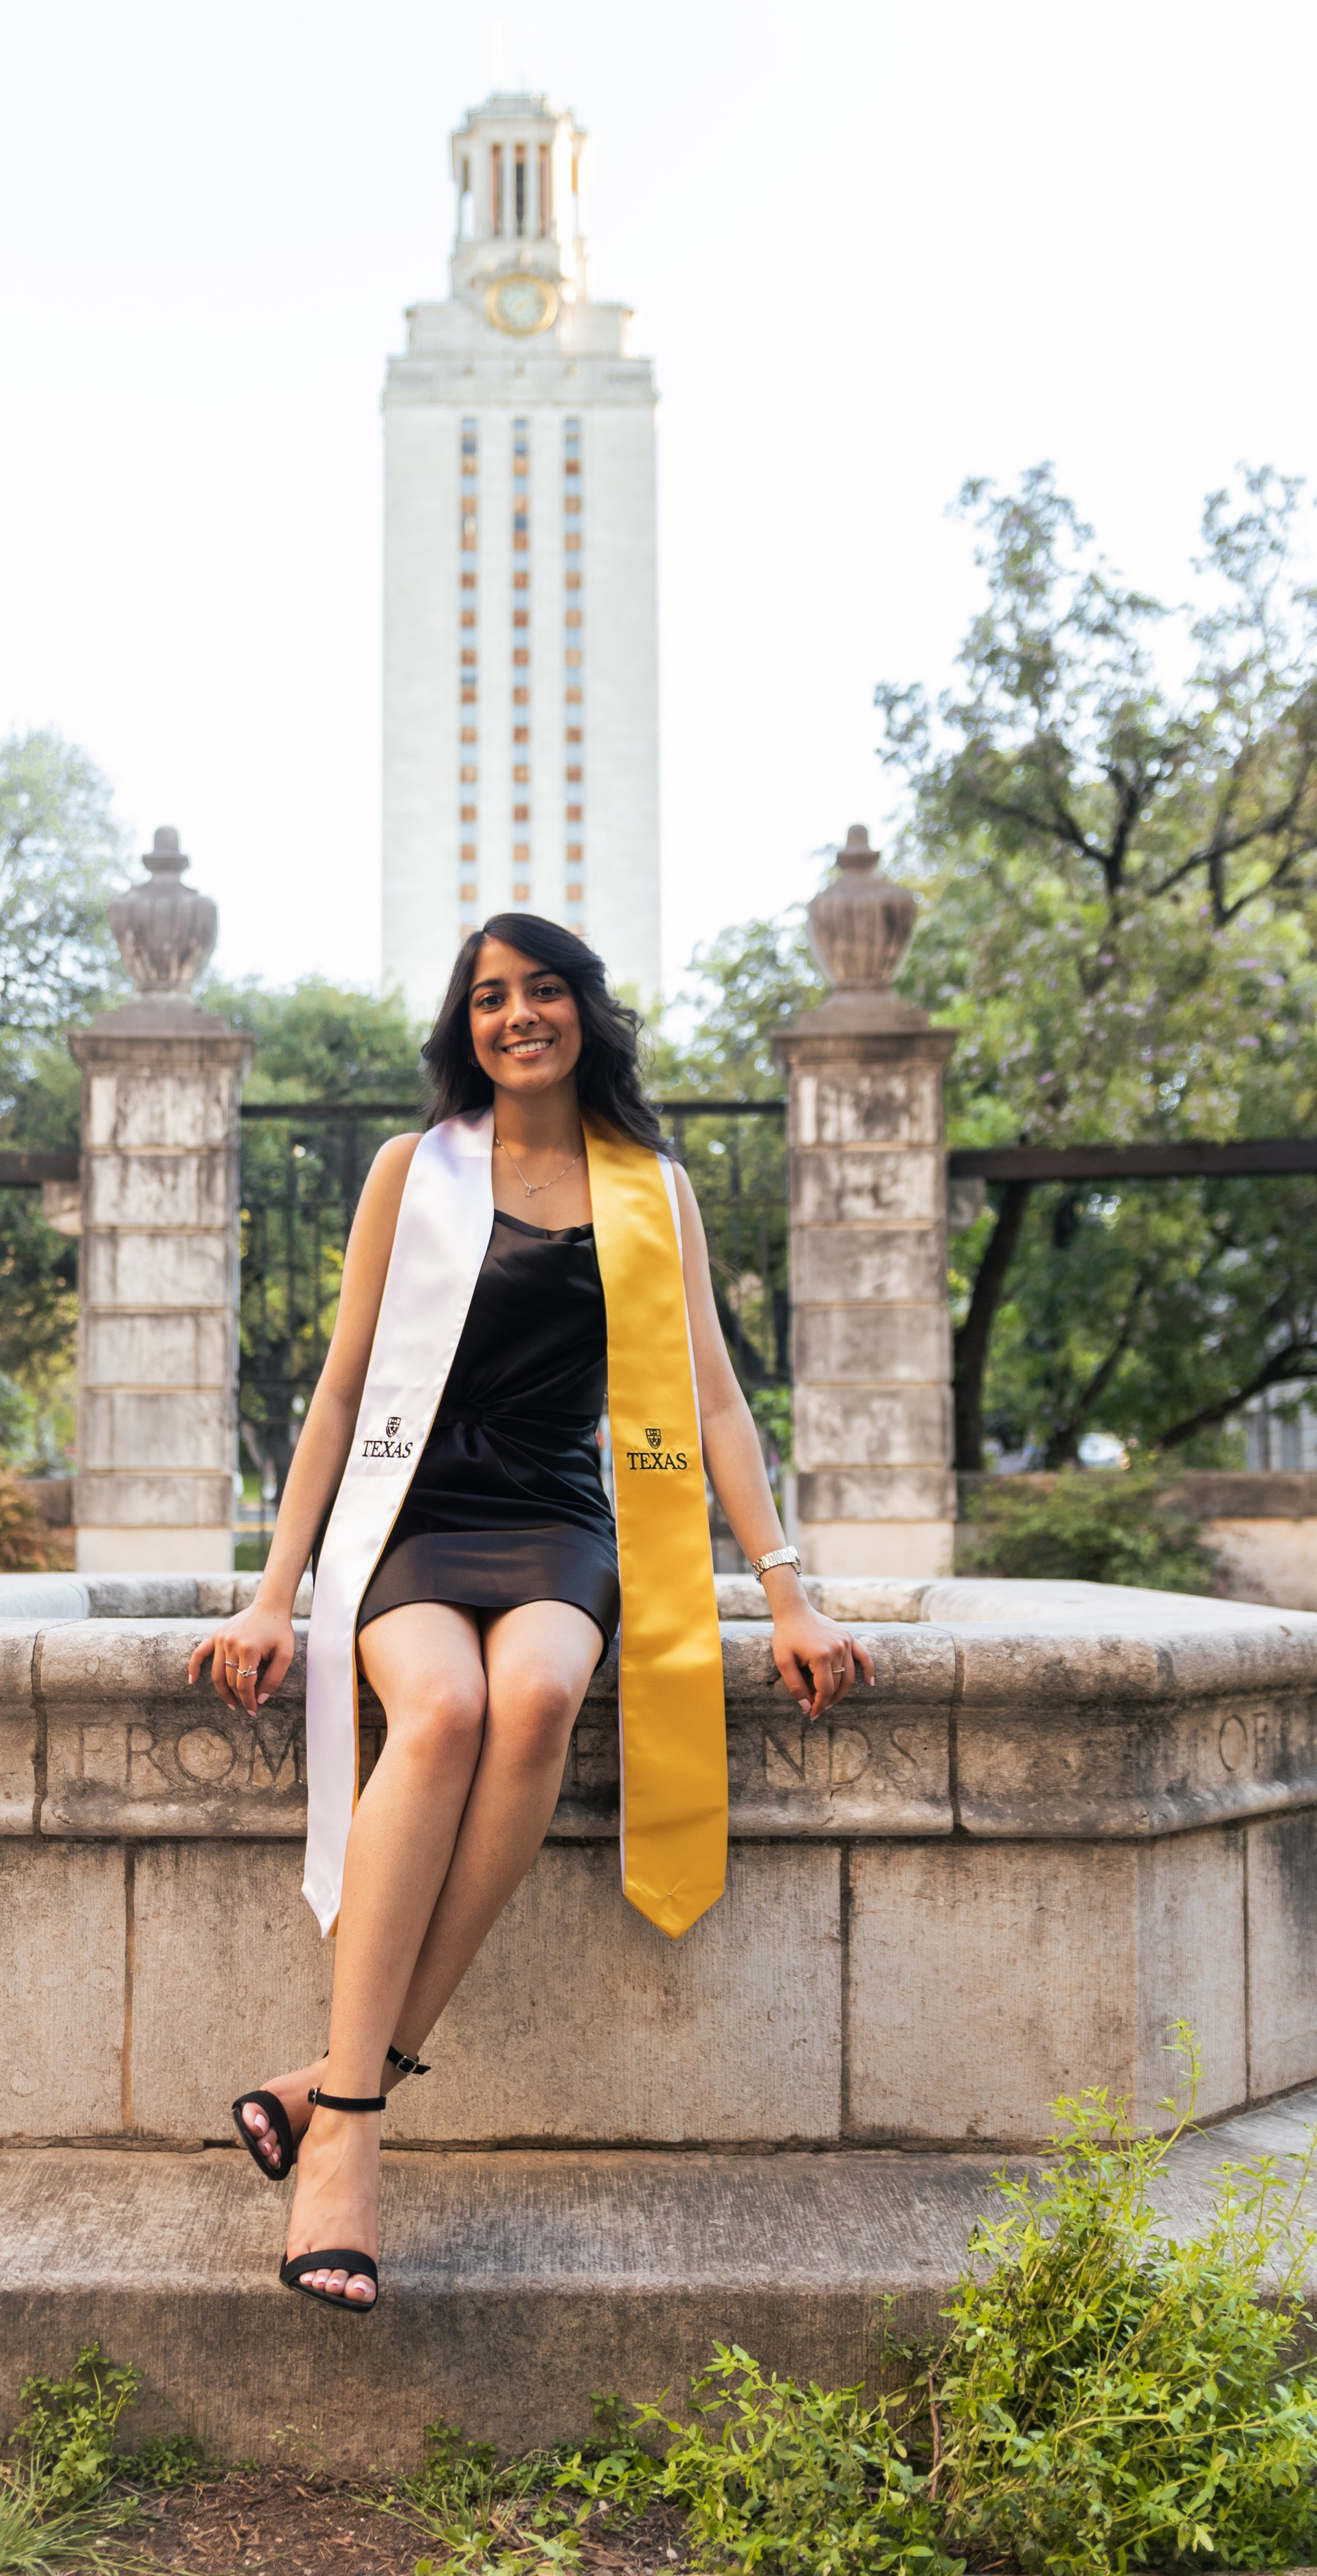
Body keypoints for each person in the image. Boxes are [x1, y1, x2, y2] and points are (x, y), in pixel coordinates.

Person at [188, 913, 875, 2312]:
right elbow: (335, 1391)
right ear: (466, 1024)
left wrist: (786, 1592)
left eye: (542, 989)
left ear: (582, 1011)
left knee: (544, 1696)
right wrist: (273, 1591)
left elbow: (714, 1402)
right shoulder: (410, 1170)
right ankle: (348, 2150)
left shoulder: (649, 1186)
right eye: (490, 996)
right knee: (439, 1710)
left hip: (562, 1518)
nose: (518, 1015)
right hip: (414, 1513)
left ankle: (327, 2086)